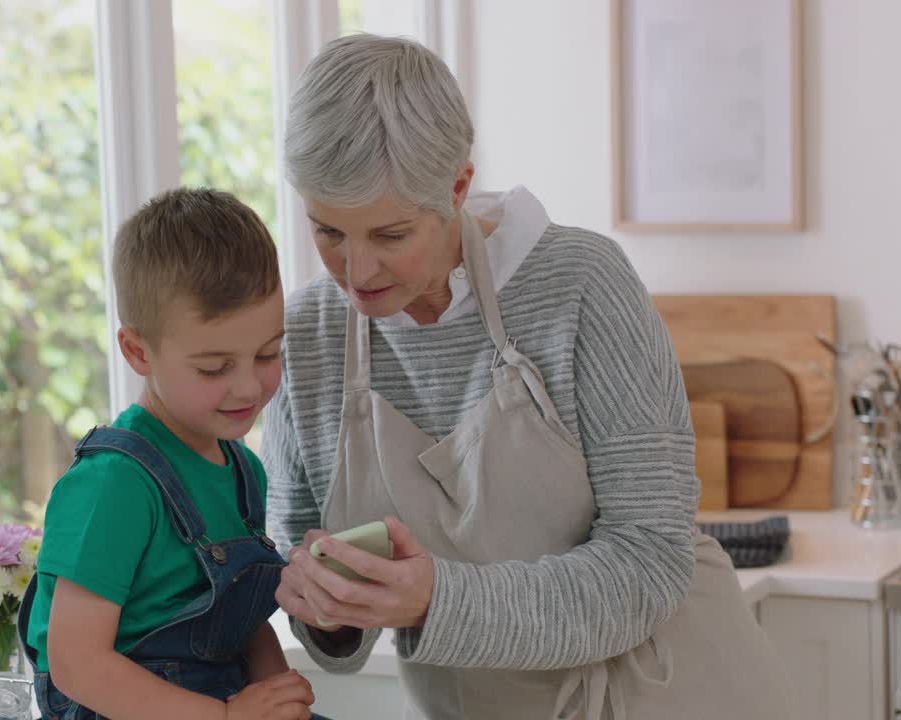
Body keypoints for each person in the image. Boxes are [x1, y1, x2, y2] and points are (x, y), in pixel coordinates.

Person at [263, 34, 795, 719]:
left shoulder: (582, 285)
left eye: (391, 236)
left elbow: (651, 560)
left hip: (674, 695)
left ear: (456, 187)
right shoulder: (307, 336)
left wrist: (436, 598)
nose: (357, 272)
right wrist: (329, 604)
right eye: (328, 232)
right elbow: (303, 562)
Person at [19, 188, 316, 720]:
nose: (249, 386)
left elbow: (240, 627)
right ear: (138, 351)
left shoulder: (243, 470)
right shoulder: (115, 485)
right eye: (214, 367)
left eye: (268, 353)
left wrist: (276, 689)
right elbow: (76, 664)